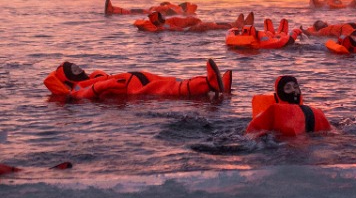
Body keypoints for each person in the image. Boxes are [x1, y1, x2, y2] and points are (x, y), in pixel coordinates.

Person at [44, 59, 232, 100]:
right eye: (74, 70)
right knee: (166, 89)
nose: (79, 69)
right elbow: (84, 94)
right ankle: (208, 84)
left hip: (134, 78)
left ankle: (216, 86)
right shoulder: (75, 90)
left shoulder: (92, 76)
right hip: (129, 89)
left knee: (170, 82)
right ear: (68, 78)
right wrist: (105, 84)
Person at [246, 74, 332, 136]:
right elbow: (251, 135)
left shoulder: (314, 112)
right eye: (288, 88)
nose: (293, 91)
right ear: (280, 93)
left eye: (295, 87)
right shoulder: (273, 112)